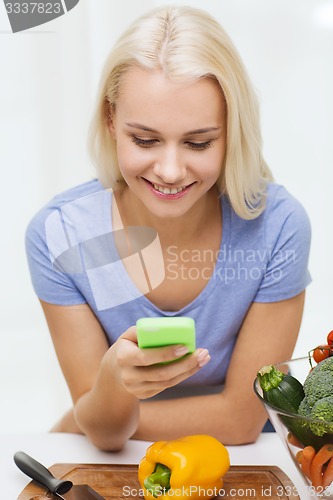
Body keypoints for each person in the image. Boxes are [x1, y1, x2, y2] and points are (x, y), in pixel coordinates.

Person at [25, 5, 311, 451]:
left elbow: (241, 421)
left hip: (243, 458)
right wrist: (109, 385)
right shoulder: (61, 236)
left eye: (199, 142)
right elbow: (104, 432)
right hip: (119, 466)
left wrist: (86, 417)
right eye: (145, 139)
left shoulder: (277, 227)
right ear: (111, 121)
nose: (171, 170)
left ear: (232, 132)